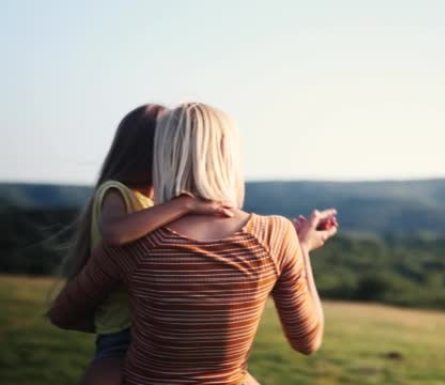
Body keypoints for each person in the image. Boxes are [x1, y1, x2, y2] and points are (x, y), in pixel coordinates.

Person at [49, 102, 337, 384]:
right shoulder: (277, 235)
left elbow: (64, 314)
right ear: (229, 155)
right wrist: (300, 250)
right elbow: (307, 341)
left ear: (162, 156)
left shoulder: (133, 239)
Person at [60, 104, 235, 385]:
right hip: (123, 329)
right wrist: (185, 204)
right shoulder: (117, 191)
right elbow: (116, 233)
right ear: (154, 150)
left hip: (151, 323)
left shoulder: (153, 204)